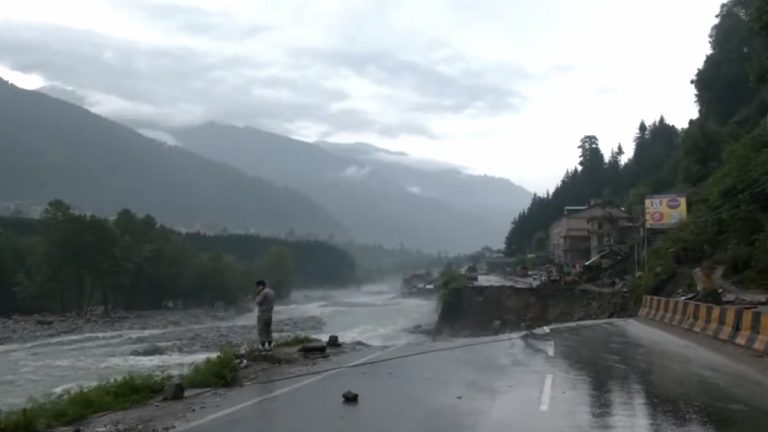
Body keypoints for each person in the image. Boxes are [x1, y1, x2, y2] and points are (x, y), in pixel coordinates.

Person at [254, 280, 275, 352]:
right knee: (268, 330)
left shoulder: (263, 293)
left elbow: (258, 302)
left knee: (261, 331)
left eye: (257, 287)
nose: (256, 288)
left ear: (260, 286)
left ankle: (262, 347)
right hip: (270, 314)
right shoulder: (271, 291)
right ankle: (270, 346)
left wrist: (257, 294)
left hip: (263, 314)